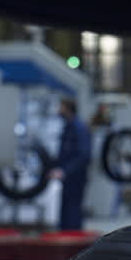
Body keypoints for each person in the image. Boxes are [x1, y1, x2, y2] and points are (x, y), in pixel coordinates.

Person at [48, 97, 92, 230]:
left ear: (67, 109)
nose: (58, 110)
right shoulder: (68, 126)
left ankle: (73, 239)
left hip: (76, 178)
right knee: (66, 212)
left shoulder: (79, 128)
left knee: (72, 213)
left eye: (61, 107)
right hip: (68, 178)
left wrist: (65, 171)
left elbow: (84, 155)